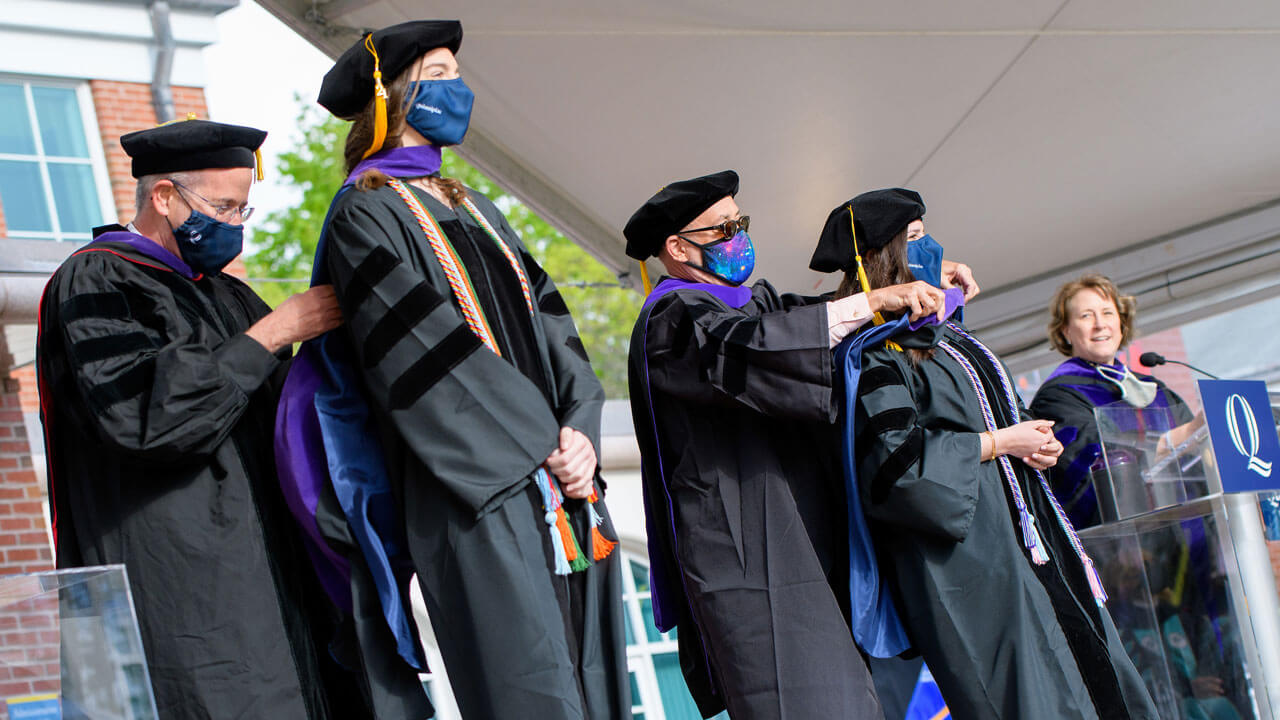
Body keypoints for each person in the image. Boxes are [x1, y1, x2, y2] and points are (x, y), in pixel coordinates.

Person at [308, 20, 629, 719]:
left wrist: (579, 432)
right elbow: (425, 359)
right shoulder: (365, 215)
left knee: (594, 679)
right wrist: (543, 442)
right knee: (529, 686)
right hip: (476, 491)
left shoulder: (474, 207)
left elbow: (555, 327)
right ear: (395, 96)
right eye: (442, 74)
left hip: (563, 482)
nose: (460, 91)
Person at [624, 171, 976, 719]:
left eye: (740, 222)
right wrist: (878, 299)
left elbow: (823, 322)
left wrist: (918, 271)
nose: (739, 235)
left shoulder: (753, 301)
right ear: (677, 247)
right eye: (723, 229)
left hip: (804, 541)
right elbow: (764, 348)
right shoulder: (673, 319)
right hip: (749, 566)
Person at [36, 119, 350, 718]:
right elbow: (144, 420)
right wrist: (276, 332)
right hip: (187, 592)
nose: (234, 225)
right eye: (224, 207)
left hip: (272, 576)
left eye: (243, 210)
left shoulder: (226, 295)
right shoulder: (97, 278)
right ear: (164, 196)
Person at [819, 188, 1160, 720]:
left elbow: (991, 412)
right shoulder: (874, 355)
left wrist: (1035, 444)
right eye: (915, 238)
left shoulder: (948, 337)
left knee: (1093, 682)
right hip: (971, 566)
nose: (932, 246)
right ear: (889, 256)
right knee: (1032, 700)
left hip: (1028, 545)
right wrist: (1002, 443)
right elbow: (898, 470)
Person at [1030, 273, 1199, 529]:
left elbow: (1199, 463)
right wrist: (1182, 436)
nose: (1100, 324)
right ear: (1066, 331)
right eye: (1086, 316)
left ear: (1122, 323)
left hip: (1194, 541)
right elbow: (1095, 468)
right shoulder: (1058, 398)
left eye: (1108, 313)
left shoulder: (1155, 390)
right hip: (1126, 549)